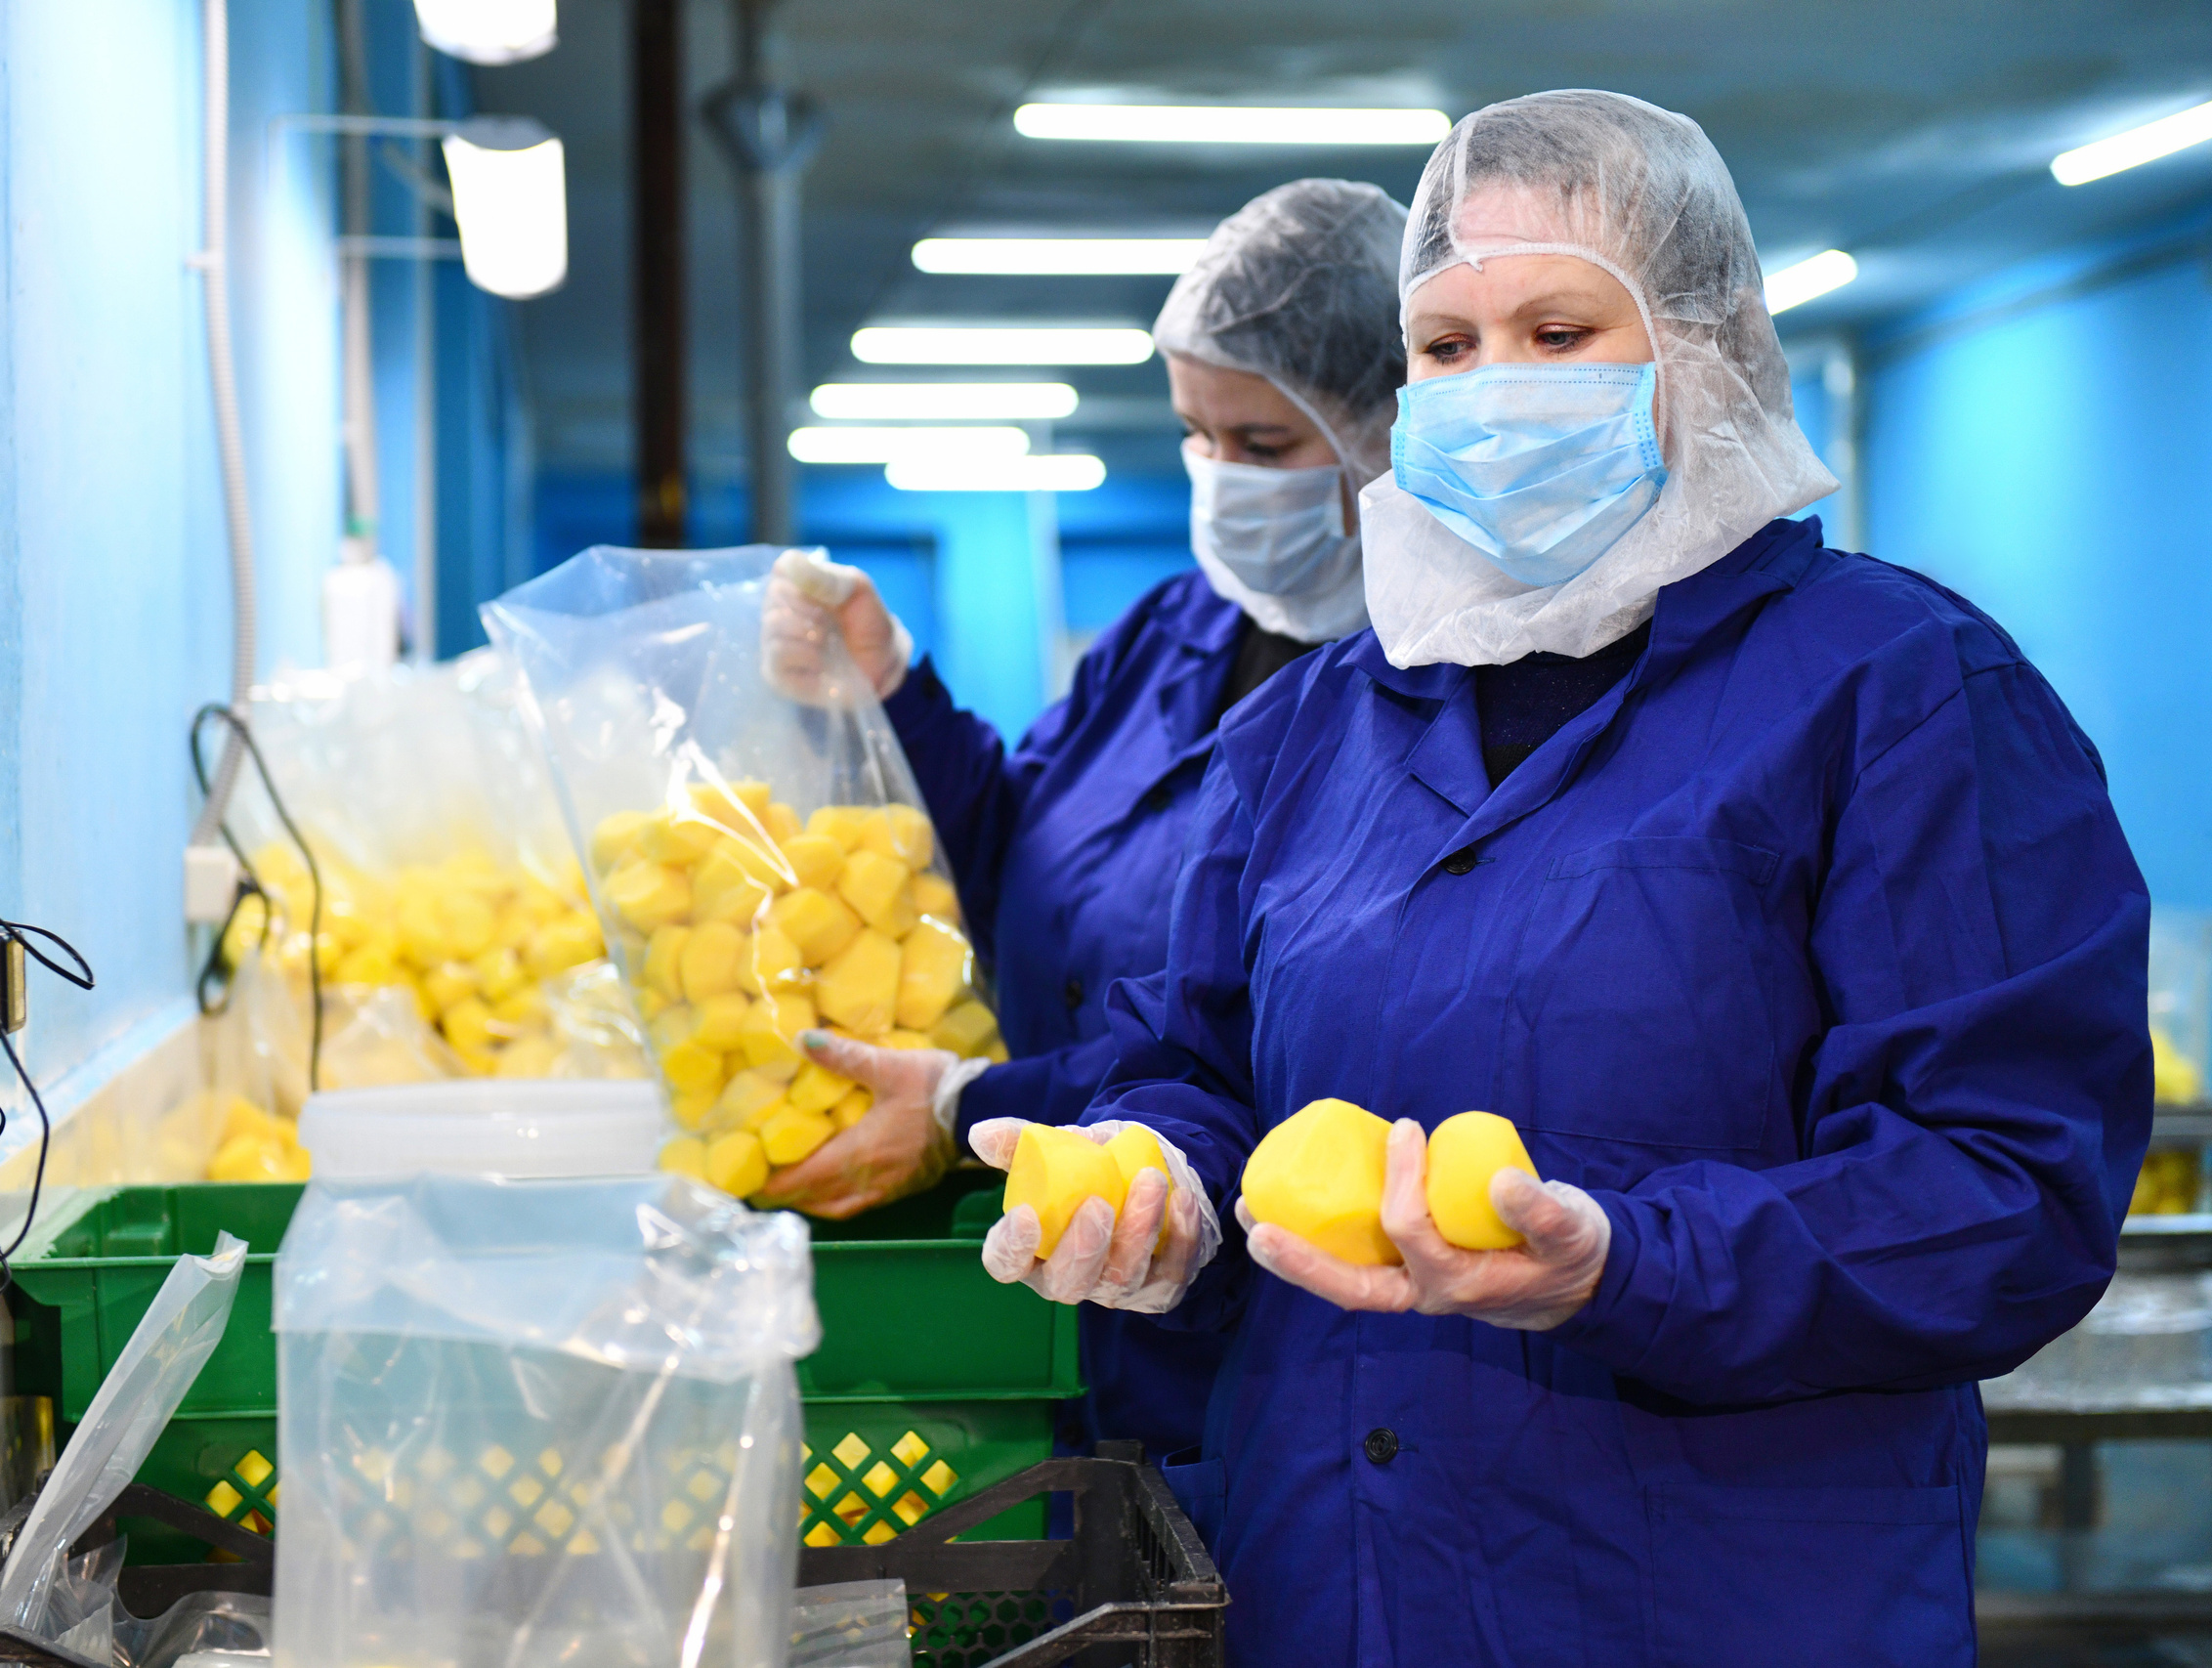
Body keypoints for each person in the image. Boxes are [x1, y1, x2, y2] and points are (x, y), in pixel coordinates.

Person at [972, 90, 2150, 1666]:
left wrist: (1625, 1258)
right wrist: (1157, 1173)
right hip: (1334, 1587)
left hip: (1716, 1603)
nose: (1495, 389)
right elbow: (1195, 1057)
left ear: (1703, 348)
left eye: (1558, 331)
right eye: (1447, 347)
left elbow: (2006, 1188)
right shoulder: (1312, 727)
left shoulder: (1899, 690)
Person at [756, 179, 1410, 1463]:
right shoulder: (1172, 630)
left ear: (1388, 426)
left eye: (1262, 444)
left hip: (1259, 1342)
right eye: (1196, 437)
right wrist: (891, 697)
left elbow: (1266, 1045)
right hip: (1062, 1299)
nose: (1221, 479)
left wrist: (970, 1104)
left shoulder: (1432, 690)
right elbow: (1021, 849)